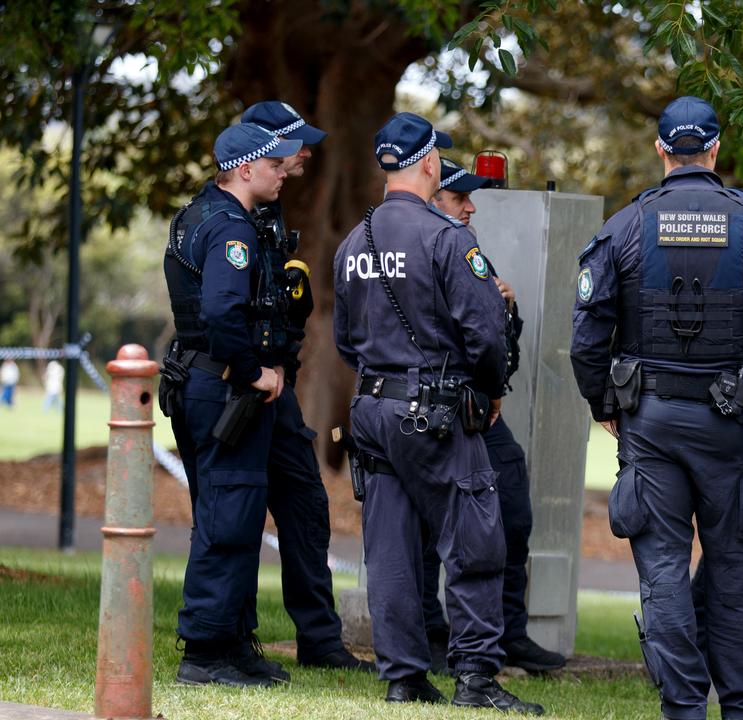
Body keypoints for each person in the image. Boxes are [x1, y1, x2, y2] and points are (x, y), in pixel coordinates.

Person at [570, 95, 743, 720]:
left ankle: (682, 707)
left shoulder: (624, 228)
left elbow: (587, 336)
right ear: (716, 148)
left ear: (660, 150)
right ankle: (741, 709)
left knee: (665, 570)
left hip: (649, 425)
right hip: (731, 427)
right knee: (734, 574)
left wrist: (604, 402)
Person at [332, 111, 543, 713]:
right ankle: (476, 677)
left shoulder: (355, 242)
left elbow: (346, 339)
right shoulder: (449, 239)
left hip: (372, 407)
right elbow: (486, 335)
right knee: (476, 538)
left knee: (392, 547)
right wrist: (491, 387)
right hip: (436, 410)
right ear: (428, 162)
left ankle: (403, 677)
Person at [235, 101, 373, 672]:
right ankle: (234, 643)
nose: (309, 154)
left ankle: (320, 641)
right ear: (263, 148)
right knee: (235, 516)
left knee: (307, 503)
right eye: (297, 144)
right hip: (241, 388)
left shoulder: (270, 209)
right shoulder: (233, 210)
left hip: (279, 390)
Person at [162, 122, 300, 688]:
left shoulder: (196, 214)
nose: (283, 172)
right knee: (229, 517)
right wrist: (255, 372)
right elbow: (222, 312)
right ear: (245, 168)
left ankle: (235, 643)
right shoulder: (232, 228)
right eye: (275, 164)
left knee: (230, 514)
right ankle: (205, 653)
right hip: (223, 386)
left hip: (196, 382)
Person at [421, 156, 567, 674]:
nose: (470, 206)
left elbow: (501, 346)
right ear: (432, 195)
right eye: (459, 197)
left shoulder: (468, 248)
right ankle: (432, 636)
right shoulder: (420, 244)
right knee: (428, 530)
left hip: (481, 408)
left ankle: (509, 632)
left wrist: (504, 309)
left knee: (512, 511)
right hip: (435, 407)